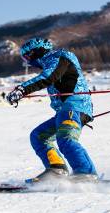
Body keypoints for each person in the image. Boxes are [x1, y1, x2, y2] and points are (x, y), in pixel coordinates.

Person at [7, 38, 97, 182]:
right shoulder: (51, 61)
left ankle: (86, 173)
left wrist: (22, 89)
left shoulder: (59, 57)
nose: (27, 61)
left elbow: (48, 77)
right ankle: (57, 170)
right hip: (65, 111)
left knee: (65, 138)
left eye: (27, 56)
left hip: (75, 107)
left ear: (35, 52)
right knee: (38, 136)